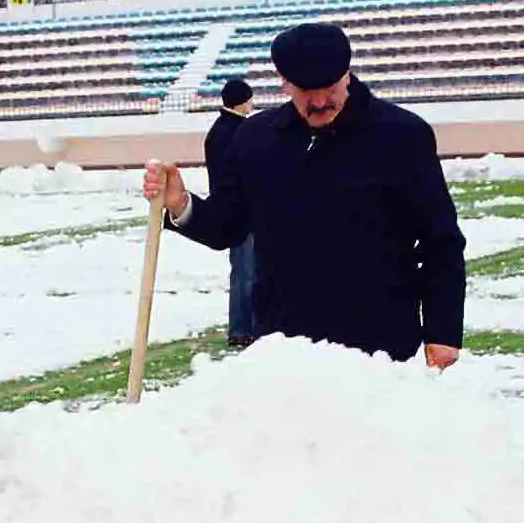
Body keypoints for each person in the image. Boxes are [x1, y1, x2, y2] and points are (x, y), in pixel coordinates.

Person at [142, 22, 465, 367]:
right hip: (285, 346)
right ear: (284, 82)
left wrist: (441, 333)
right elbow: (227, 226)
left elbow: (440, 241)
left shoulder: (402, 136)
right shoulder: (256, 139)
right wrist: (179, 202)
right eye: (307, 92)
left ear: (347, 74)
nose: (321, 102)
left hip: (379, 349)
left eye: (330, 88)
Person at [204, 77, 258, 346]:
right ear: (242, 101)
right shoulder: (239, 132)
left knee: (243, 273)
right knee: (248, 273)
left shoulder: (219, 131)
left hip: (231, 211)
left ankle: (243, 327)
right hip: (243, 213)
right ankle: (244, 329)